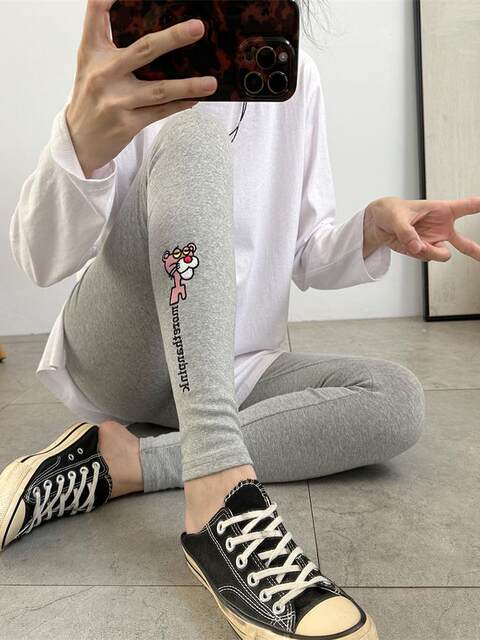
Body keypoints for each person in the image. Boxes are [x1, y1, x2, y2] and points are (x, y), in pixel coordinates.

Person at [3, 1, 480, 638]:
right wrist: (79, 144)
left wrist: (370, 228)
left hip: (232, 367)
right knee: (193, 134)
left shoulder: (295, 74)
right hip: (124, 354)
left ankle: (125, 462)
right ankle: (217, 493)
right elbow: (41, 260)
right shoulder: (132, 58)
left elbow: (303, 252)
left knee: (396, 400)